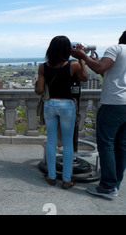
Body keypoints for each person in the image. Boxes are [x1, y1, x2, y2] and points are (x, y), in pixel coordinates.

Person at [72, 31, 126, 197]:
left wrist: (83, 56)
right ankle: (115, 184)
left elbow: (101, 68)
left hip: (113, 103)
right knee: (122, 146)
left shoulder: (116, 49)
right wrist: (94, 62)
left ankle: (107, 186)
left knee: (106, 143)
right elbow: (108, 73)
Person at [36, 36, 87, 189]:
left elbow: (39, 90)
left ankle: (51, 176)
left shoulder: (43, 67)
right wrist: (82, 58)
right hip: (67, 104)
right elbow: (84, 78)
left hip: (50, 104)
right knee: (67, 143)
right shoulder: (74, 65)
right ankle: (66, 179)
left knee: (51, 142)